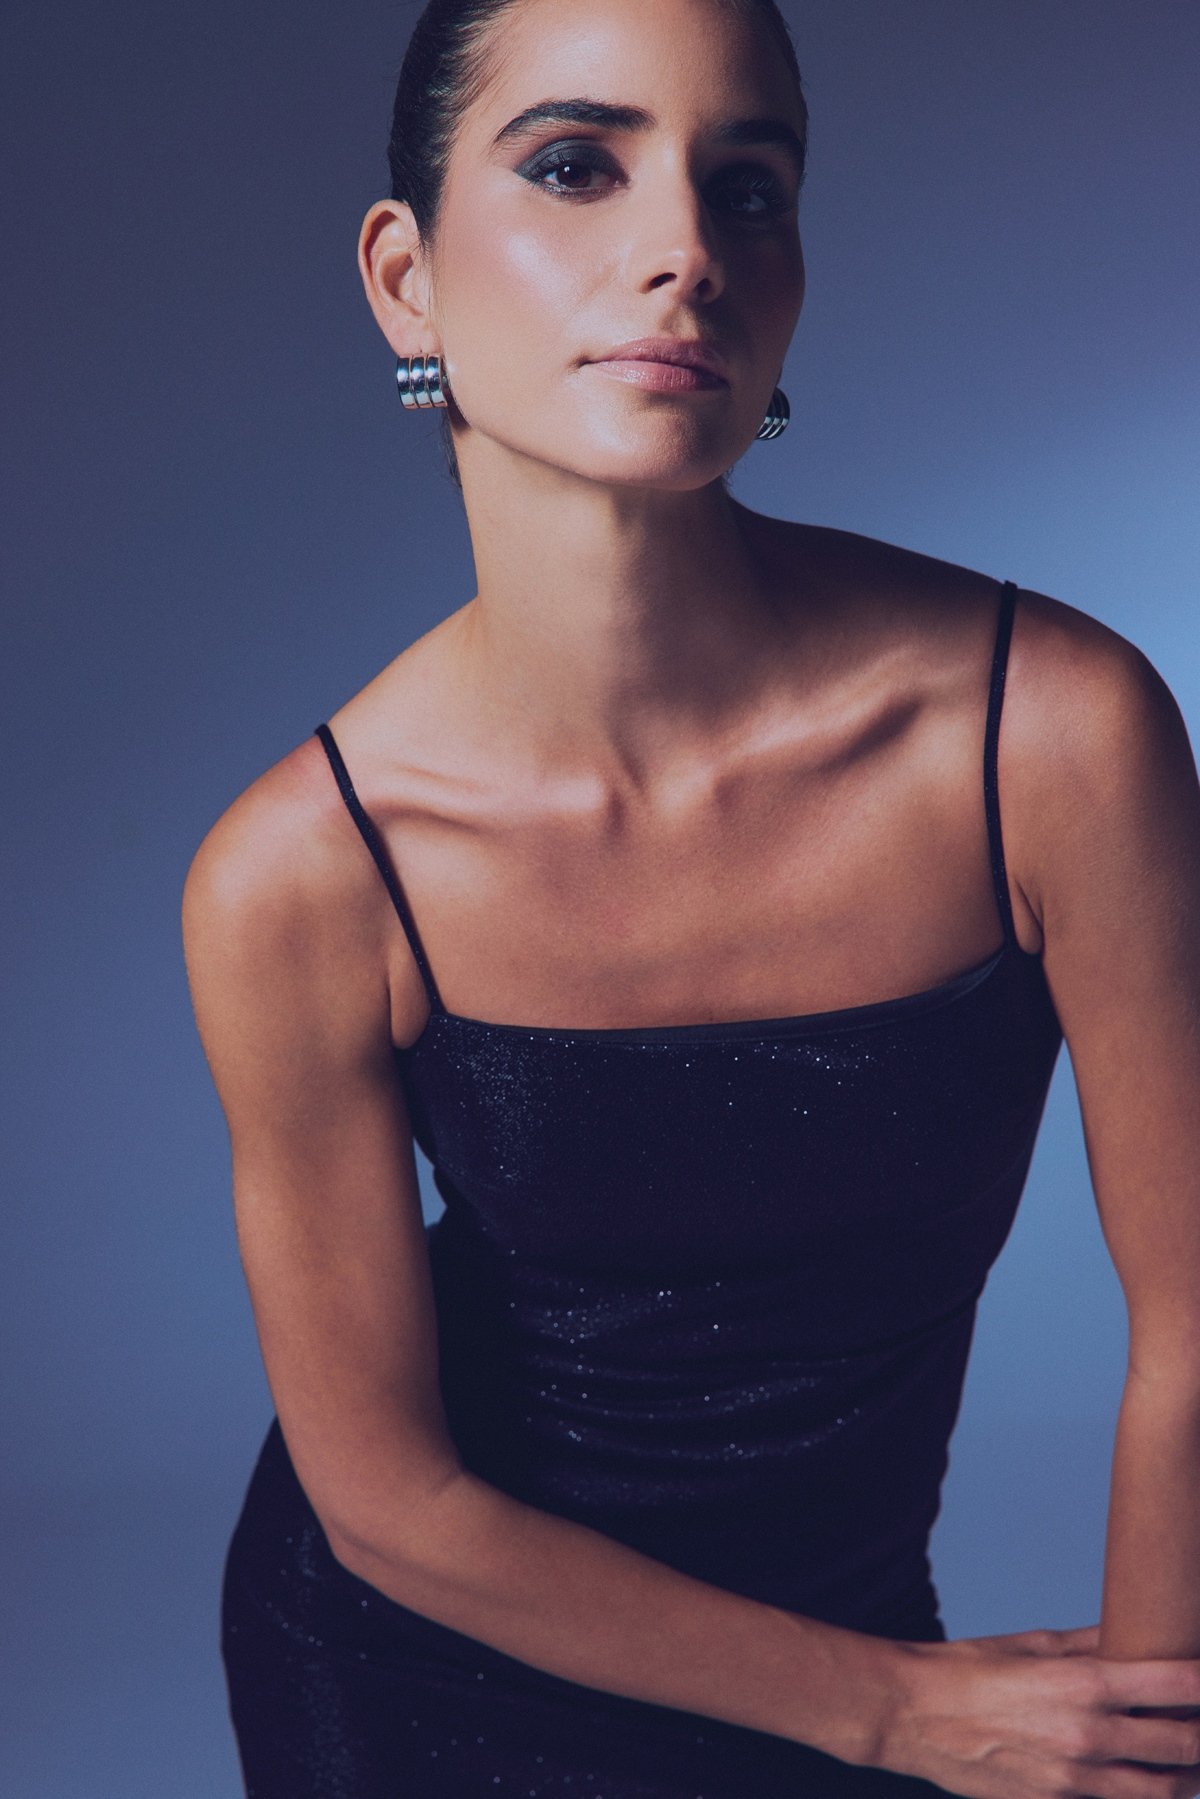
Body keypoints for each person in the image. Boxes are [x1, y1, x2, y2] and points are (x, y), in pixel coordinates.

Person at [180, 0, 1200, 1793]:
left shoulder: (1049, 738)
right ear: (406, 282)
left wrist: (1139, 1748)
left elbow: (1193, 1323)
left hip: (861, 1636)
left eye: (748, 187)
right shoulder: (307, 875)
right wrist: (899, 1711)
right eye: (578, 166)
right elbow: (390, 1503)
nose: (686, 252)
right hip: (423, 1682)